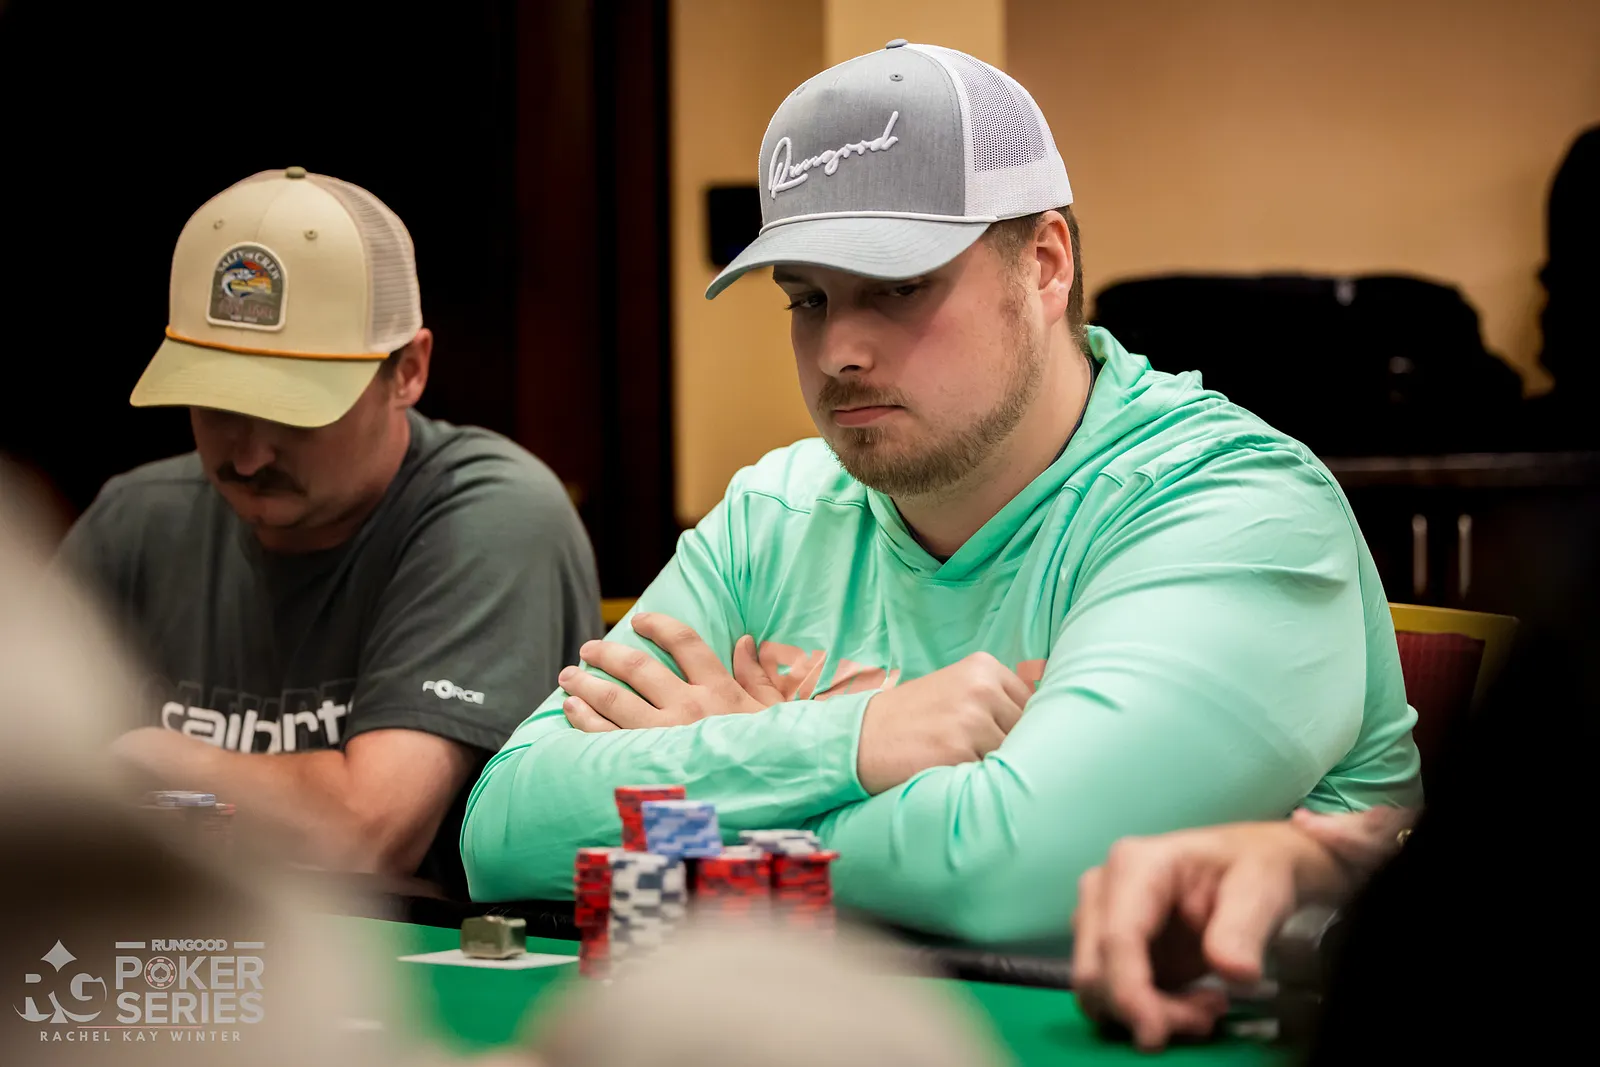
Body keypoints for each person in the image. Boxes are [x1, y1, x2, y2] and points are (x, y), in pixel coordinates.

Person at [462, 42, 1420, 943]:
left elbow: (1009, 870)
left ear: (1044, 265)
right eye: (807, 298)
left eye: (900, 286)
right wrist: (845, 740)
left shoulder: (1235, 506)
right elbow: (503, 830)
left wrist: (725, 764)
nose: (839, 351)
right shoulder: (777, 511)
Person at [57, 168, 601, 897]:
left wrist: (142, 760)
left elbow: (364, 834)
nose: (250, 455)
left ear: (408, 371)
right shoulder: (137, 516)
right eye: (218, 407)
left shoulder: (496, 513)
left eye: (294, 411)